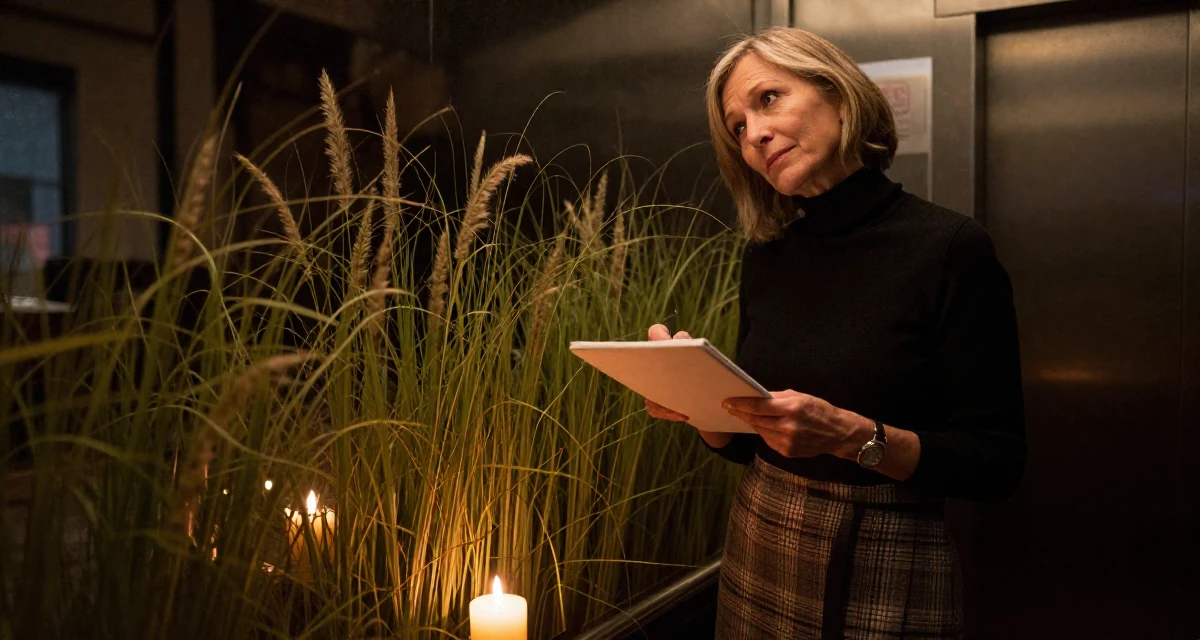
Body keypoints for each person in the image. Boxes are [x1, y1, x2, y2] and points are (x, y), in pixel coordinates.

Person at [644, 27, 1025, 639]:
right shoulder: (767, 254)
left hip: (888, 553)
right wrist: (701, 408)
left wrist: (855, 437)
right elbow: (751, 443)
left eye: (767, 99)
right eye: (737, 128)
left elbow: (997, 463)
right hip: (761, 535)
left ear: (841, 95)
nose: (754, 134)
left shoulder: (950, 248)